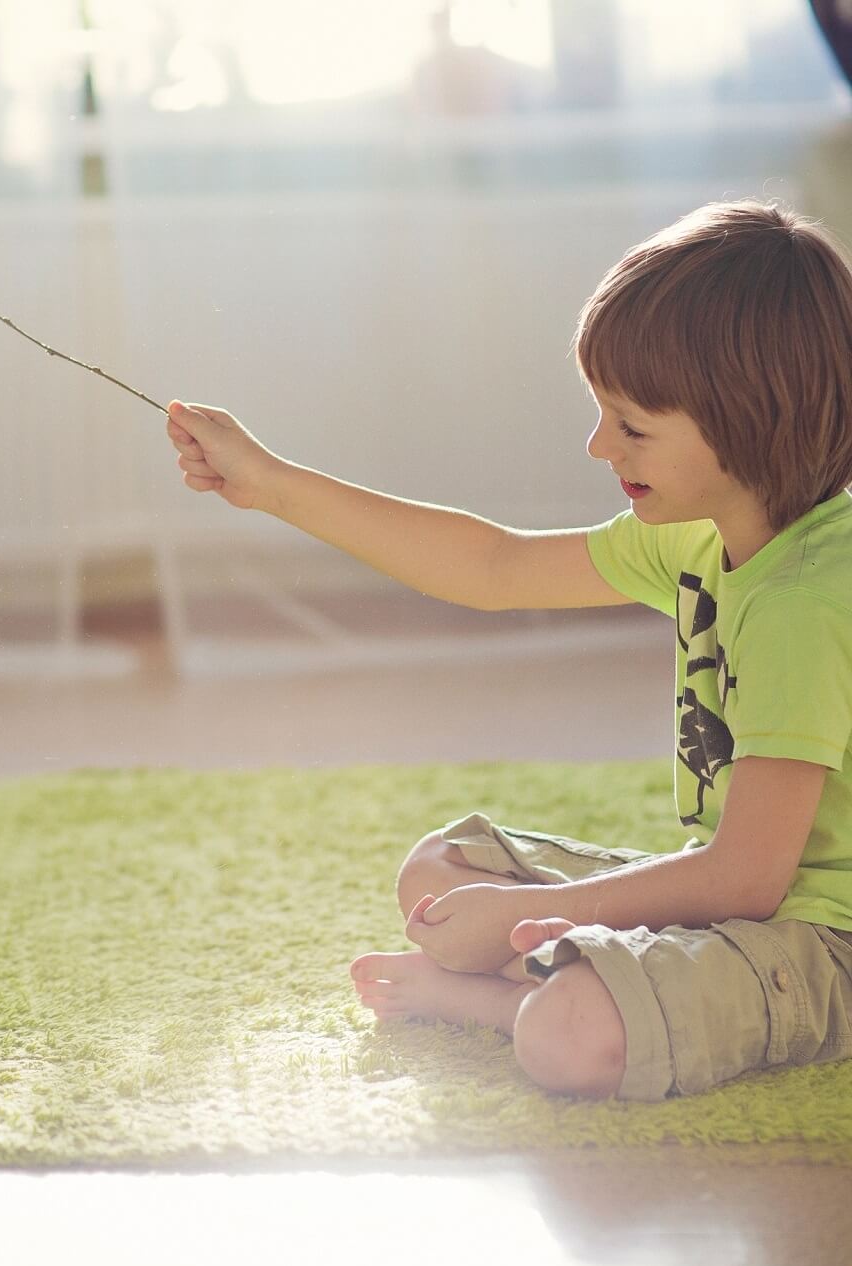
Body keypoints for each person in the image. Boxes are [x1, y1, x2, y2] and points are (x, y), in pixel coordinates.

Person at [163, 200, 852, 1101]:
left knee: (570, 1035)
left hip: (825, 946)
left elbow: (748, 878)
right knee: (442, 873)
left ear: (750, 420)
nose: (599, 445)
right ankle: (556, 972)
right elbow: (494, 565)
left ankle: (501, 1002)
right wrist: (272, 486)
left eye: (633, 427)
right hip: (742, 912)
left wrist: (534, 911)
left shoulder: (805, 599)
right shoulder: (703, 532)